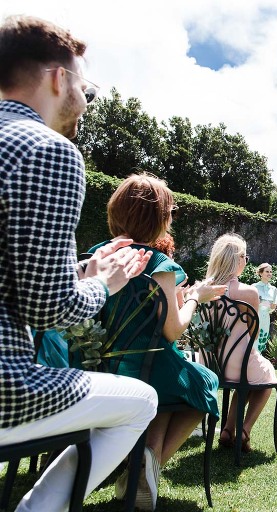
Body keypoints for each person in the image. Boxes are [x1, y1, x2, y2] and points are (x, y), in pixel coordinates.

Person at [0, 16, 158, 512]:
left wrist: (84, 271)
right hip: (5, 387)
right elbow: (49, 310)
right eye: (85, 85)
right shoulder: (49, 152)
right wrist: (106, 283)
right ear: (57, 78)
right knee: (141, 402)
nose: (86, 100)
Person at [89, 173, 226, 510]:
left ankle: (140, 468)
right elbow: (173, 331)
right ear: (158, 219)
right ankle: (149, 466)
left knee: (175, 376)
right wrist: (195, 297)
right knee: (204, 380)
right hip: (149, 370)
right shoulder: (160, 264)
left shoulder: (98, 254)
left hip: (103, 369)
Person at [205, 235, 277, 452]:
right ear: (238, 260)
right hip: (238, 361)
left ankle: (228, 430)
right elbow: (253, 334)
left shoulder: (203, 289)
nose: (246, 261)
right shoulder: (248, 292)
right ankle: (244, 431)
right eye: (245, 257)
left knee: (249, 375)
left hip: (211, 363)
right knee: (265, 376)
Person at [255, 262, 277, 353]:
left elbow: (273, 308)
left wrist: (270, 306)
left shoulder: (274, 289)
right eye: (267, 271)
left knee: (262, 340)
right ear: (261, 273)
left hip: (265, 318)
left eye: (271, 272)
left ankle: (258, 360)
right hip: (255, 316)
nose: (269, 273)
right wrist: (264, 303)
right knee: (253, 339)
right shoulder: (254, 287)